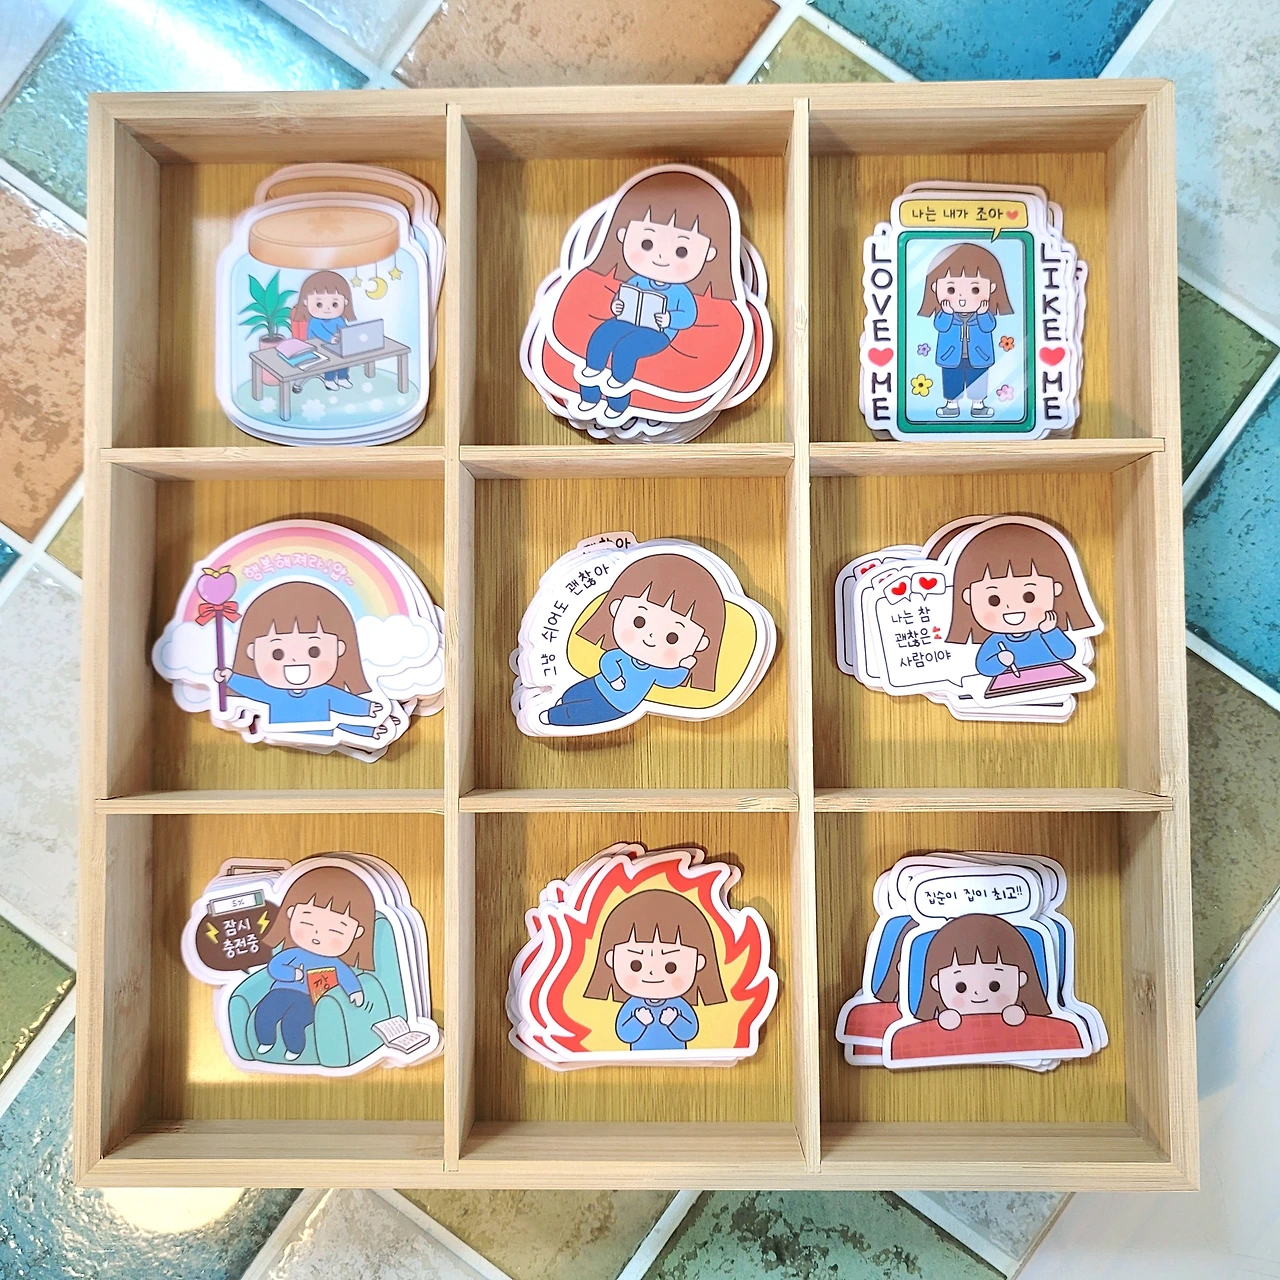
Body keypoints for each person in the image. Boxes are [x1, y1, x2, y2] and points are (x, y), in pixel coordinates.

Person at [540, 553, 726, 731]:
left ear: (700, 644)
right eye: (639, 621)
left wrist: (684, 667)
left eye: (672, 637)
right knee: (573, 694)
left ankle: (553, 716)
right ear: (616, 608)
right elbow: (608, 661)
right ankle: (563, 701)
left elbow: (670, 681)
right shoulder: (621, 655)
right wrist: (613, 678)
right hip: (597, 685)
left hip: (618, 705)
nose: (651, 637)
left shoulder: (657, 670)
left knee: (579, 714)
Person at [253, 865, 375, 1061]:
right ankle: (266, 1040)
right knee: (264, 1012)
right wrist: (292, 974)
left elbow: (346, 977)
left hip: (310, 998)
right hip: (281, 990)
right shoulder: (293, 953)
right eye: (308, 923)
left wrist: (354, 991)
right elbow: (274, 967)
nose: (318, 935)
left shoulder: (335, 963)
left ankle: (295, 1048)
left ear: (357, 933)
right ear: (292, 913)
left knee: (293, 1021)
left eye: (335, 931)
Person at [583, 889, 727, 1051]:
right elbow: (624, 1033)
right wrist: (638, 1021)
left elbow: (690, 1031)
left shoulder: (679, 1005)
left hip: (678, 1056)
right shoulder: (632, 1005)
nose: (653, 973)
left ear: (698, 963)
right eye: (636, 965)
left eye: (670, 967)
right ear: (611, 959)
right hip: (635, 1058)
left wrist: (675, 1021)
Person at [917, 242, 1014, 419]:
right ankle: (951, 405)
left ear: (991, 288)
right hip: (950, 356)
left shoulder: (984, 315)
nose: (962, 297)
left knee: (978, 381)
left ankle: (978, 405)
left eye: (975, 289)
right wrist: (947, 313)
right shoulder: (944, 315)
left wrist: (982, 313)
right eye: (951, 289)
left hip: (979, 355)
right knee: (952, 381)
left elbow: (989, 326)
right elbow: (940, 326)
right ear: (935, 288)